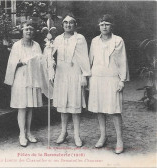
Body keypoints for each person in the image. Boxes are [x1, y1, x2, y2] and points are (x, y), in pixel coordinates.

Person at [88, 14, 129, 154]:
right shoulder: (94, 41)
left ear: (112, 26)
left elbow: (123, 61)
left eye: (107, 24)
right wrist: (88, 77)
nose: (104, 26)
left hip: (112, 78)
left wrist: (122, 80)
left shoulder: (118, 40)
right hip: (97, 78)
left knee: (115, 110)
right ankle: (103, 136)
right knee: (100, 108)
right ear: (98, 26)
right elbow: (90, 60)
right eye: (102, 24)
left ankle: (119, 140)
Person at [52, 14, 91, 147]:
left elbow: (84, 57)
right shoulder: (57, 39)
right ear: (62, 25)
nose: (68, 25)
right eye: (65, 23)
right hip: (61, 74)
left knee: (75, 105)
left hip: (75, 74)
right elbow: (50, 56)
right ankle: (63, 132)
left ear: (75, 25)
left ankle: (77, 135)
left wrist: (84, 75)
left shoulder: (80, 38)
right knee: (63, 105)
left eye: (71, 23)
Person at [4, 20, 43, 147]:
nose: (29, 31)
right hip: (20, 78)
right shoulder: (17, 46)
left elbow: (40, 62)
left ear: (34, 31)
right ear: (22, 30)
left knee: (30, 107)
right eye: (26, 29)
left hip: (32, 78)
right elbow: (11, 64)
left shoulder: (36, 45)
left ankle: (29, 132)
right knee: (22, 107)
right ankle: (21, 134)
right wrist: (23, 62)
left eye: (31, 29)